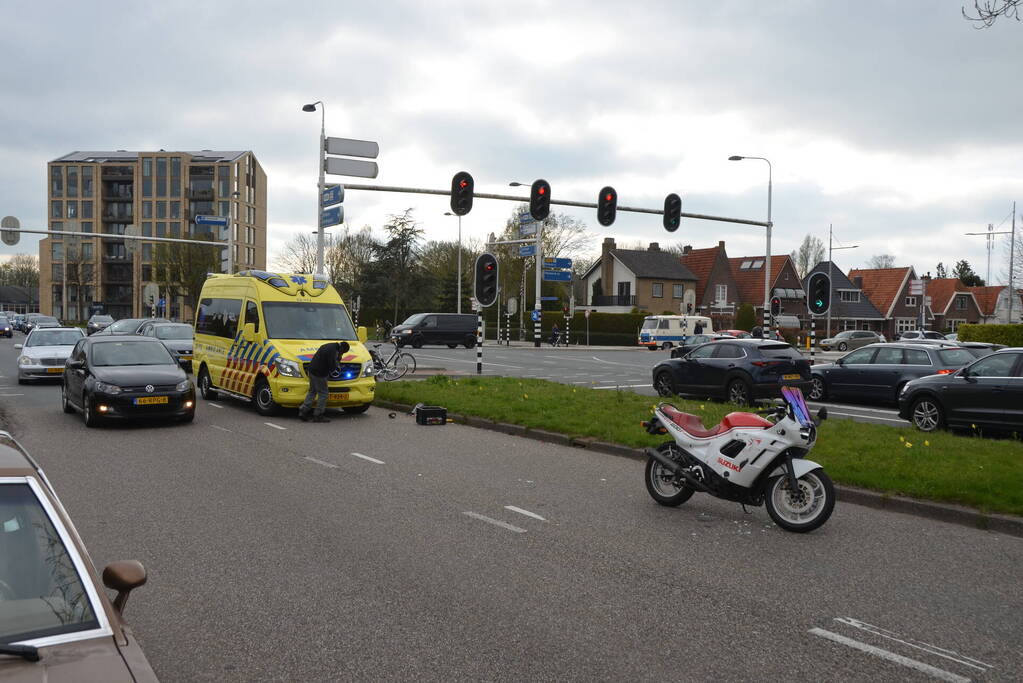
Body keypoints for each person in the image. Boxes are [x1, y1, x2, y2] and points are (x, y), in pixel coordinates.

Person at [299, 340, 350, 423]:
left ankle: (303, 411)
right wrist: (337, 363)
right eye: (343, 352)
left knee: (312, 391)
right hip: (319, 373)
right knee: (323, 393)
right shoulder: (333, 351)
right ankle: (318, 415)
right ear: (342, 348)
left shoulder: (329, 346)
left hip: (311, 370)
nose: (342, 353)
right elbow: (332, 365)